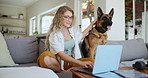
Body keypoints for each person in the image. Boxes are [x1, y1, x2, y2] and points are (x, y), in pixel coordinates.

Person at [37, 6, 96, 72]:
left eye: (70, 17)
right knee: (46, 57)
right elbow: (61, 55)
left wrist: (92, 23)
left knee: (92, 61)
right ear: (59, 17)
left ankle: (71, 69)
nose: (69, 20)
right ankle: (61, 71)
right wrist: (80, 63)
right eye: (66, 17)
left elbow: (81, 36)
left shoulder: (72, 30)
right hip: (58, 63)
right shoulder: (54, 34)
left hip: (72, 62)